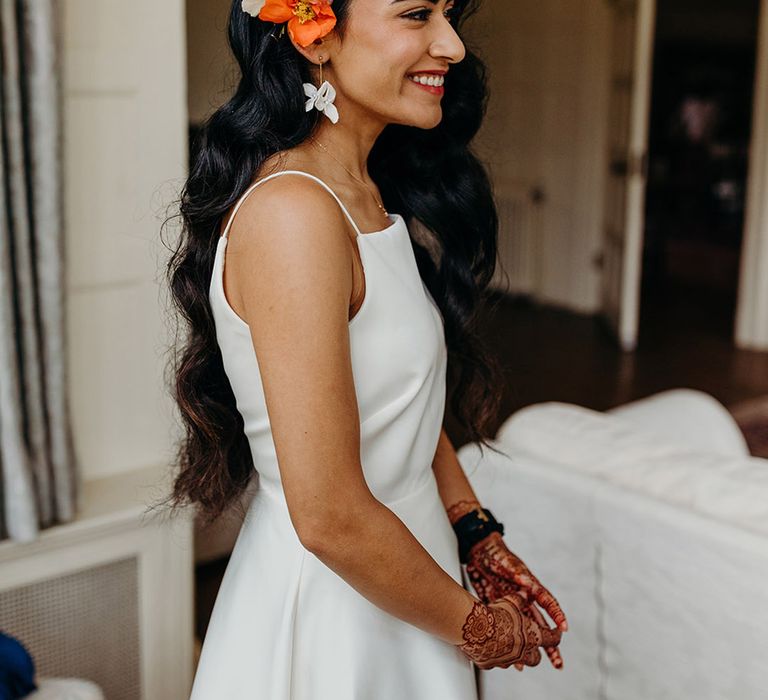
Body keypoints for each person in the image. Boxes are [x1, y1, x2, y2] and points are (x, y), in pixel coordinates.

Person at [164, 0, 568, 697]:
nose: (451, 46)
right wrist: (480, 628)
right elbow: (328, 517)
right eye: (416, 14)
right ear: (316, 37)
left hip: (408, 575)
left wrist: (476, 532)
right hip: (339, 610)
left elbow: (398, 399)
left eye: (448, 15)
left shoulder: (364, 195)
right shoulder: (295, 214)